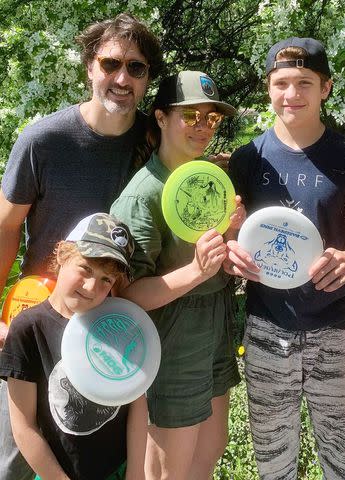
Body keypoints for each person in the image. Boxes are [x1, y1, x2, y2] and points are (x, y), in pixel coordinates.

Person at [0, 13, 162, 480]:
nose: (121, 78)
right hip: (40, 320)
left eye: (136, 68)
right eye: (111, 63)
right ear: (90, 66)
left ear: (147, 78)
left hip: (112, 329)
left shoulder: (153, 145)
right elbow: (6, 227)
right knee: (18, 450)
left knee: (96, 451)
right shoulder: (43, 140)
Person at [226, 38, 345, 479]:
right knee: (274, 464)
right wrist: (230, 248)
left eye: (304, 82)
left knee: (343, 461)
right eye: (281, 82)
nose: (292, 94)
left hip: (338, 330)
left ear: (325, 87)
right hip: (268, 329)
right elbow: (231, 232)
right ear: (268, 88)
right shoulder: (248, 158)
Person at [110, 70, 242, 480]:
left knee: (211, 447)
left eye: (212, 118)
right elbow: (127, 294)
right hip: (171, 333)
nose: (203, 127)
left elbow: (218, 256)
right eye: (191, 116)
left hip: (215, 319)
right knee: (170, 469)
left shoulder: (208, 180)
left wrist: (234, 233)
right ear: (161, 118)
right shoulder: (142, 195)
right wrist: (197, 270)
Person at [0, 212, 148, 480]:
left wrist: (136, 473)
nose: (92, 287)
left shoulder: (119, 326)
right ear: (61, 255)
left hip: (116, 471)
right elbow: (24, 428)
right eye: (85, 269)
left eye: (107, 280)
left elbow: (137, 404)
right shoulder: (29, 328)